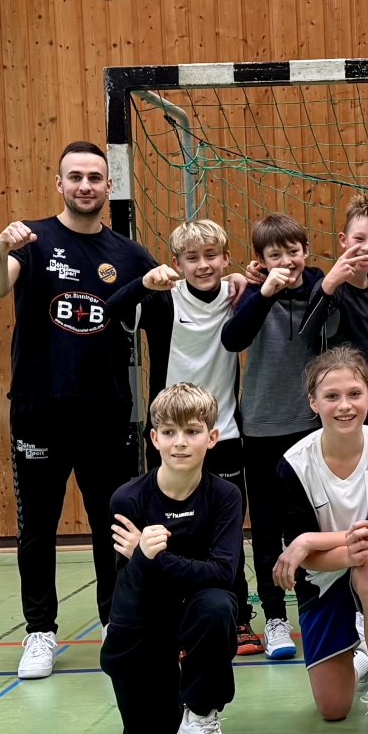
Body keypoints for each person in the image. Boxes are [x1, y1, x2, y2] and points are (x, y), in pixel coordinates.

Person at [0, 140, 156, 681]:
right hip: (39, 407)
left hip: (107, 411)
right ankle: (40, 631)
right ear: (59, 183)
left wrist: (233, 284)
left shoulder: (129, 254)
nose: (84, 185)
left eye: (94, 177)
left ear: (108, 186)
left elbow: (181, 293)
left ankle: (114, 621)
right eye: (75, 176)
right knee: (37, 526)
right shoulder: (30, 241)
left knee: (113, 523)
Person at [106, 219, 261, 654]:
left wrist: (244, 280)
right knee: (165, 528)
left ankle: (238, 618)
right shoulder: (162, 300)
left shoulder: (236, 296)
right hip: (171, 435)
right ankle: (162, 618)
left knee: (227, 533)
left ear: (226, 258)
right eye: (192, 258)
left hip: (222, 433)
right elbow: (112, 310)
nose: (203, 265)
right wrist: (143, 282)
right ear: (177, 263)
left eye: (212, 256)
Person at [269, 348, 368, 734]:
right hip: (322, 577)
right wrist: (321, 548)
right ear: (313, 402)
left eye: (354, 394)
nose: (344, 405)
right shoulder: (293, 465)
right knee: (333, 709)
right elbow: (307, 561)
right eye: (331, 396)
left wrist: (310, 539)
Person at [100, 383, 244, 734]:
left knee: (217, 605)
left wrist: (152, 556)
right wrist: (141, 562)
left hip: (197, 611)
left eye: (192, 431)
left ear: (212, 438)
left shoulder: (226, 496)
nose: (180, 442)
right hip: (145, 616)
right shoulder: (127, 499)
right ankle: (170, 687)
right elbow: (130, 587)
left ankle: (200, 716)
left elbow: (223, 573)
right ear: (154, 438)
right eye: (169, 432)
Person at [221, 212, 324, 660]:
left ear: (306, 251)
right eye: (275, 254)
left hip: (310, 427)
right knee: (266, 531)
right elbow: (233, 339)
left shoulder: (319, 287)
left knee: (308, 526)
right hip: (262, 428)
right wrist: (261, 291)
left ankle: (314, 612)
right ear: (260, 260)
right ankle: (276, 617)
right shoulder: (253, 294)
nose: (287, 261)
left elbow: (327, 283)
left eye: (293, 251)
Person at [302, 196, 368, 430]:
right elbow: (306, 336)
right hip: (338, 396)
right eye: (359, 239)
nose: (366, 247)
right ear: (343, 240)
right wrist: (328, 285)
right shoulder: (329, 286)